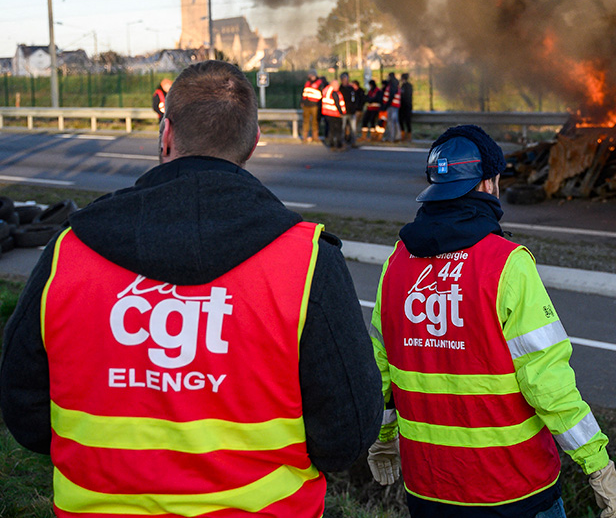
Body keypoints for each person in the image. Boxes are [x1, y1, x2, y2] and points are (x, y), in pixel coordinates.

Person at [0, 60, 382, 517]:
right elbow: (347, 432)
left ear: (166, 134)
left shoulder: (70, 251)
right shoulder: (307, 260)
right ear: (253, 143)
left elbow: (24, 409)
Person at [367, 125, 616, 518]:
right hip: (514, 492)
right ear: (489, 182)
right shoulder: (507, 265)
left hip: (430, 491)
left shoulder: (396, 266)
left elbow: (380, 375)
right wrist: (597, 463)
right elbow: (547, 382)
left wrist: (383, 437)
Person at [321, 75, 348, 150]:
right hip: (335, 113)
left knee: (331, 130)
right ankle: (338, 144)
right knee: (338, 130)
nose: (338, 86)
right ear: (333, 85)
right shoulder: (333, 92)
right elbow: (337, 103)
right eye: (337, 84)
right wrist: (341, 113)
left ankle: (332, 144)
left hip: (328, 113)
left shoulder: (326, 90)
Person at [301, 70, 324, 143]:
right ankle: (305, 137)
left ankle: (315, 137)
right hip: (306, 105)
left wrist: (320, 104)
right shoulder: (307, 83)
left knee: (315, 121)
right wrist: (302, 102)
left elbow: (322, 94)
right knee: (306, 121)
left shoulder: (319, 83)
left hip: (315, 105)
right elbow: (304, 93)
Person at [380, 72, 400, 142]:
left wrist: (386, 105)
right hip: (394, 105)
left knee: (391, 121)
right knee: (394, 121)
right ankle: (396, 136)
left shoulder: (392, 85)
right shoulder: (395, 84)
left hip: (392, 105)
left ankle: (392, 137)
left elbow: (390, 96)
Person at [339, 72, 357, 147]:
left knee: (353, 128)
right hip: (343, 112)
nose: (346, 80)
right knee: (342, 128)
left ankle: (353, 142)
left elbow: (355, 98)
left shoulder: (351, 88)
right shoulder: (340, 89)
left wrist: (354, 107)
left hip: (351, 111)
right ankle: (342, 142)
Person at [399, 72, 414, 142]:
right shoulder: (407, 86)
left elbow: (404, 96)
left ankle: (406, 137)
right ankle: (406, 136)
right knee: (405, 122)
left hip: (405, 106)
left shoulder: (405, 86)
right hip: (407, 106)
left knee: (405, 121)